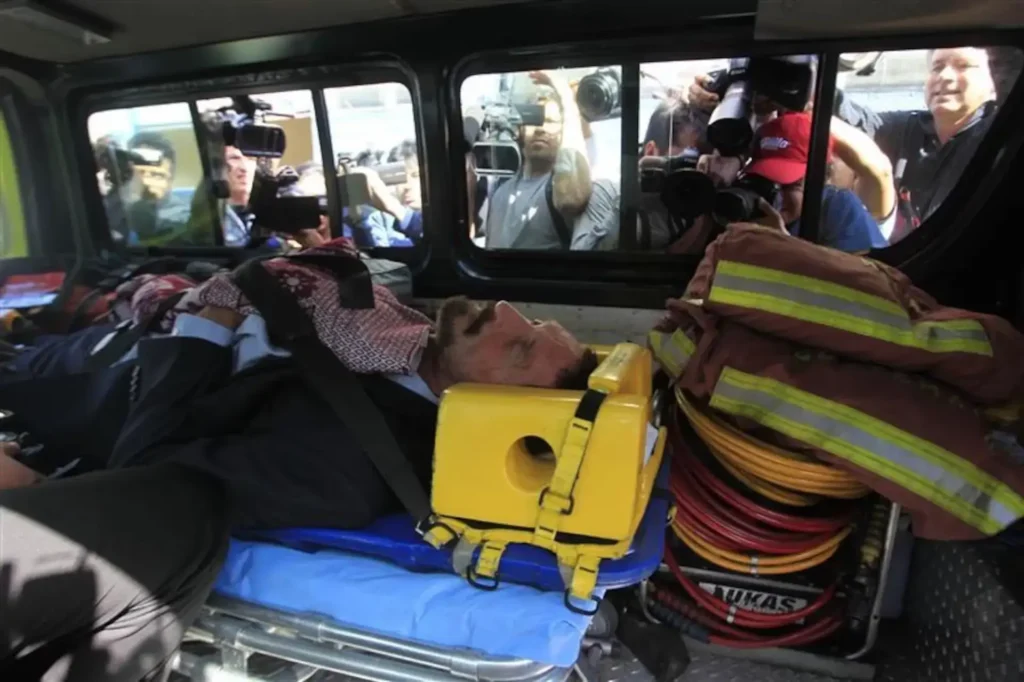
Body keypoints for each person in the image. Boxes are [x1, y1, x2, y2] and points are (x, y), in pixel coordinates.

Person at [0, 251, 598, 681]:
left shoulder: (343, 467)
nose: (506, 312)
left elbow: (147, 474)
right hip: (126, 334)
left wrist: (204, 329)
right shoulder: (414, 349)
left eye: (519, 348)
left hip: (96, 388)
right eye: (537, 324)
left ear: (504, 416)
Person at [482, 70, 615, 250]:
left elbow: (571, 198)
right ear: (521, 129)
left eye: (551, 122)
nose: (541, 129)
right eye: (535, 120)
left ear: (564, 134)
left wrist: (566, 98)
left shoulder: (561, 188)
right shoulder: (501, 193)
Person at [744, 112, 887, 253]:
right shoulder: (744, 203)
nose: (776, 196)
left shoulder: (838, 208)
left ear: (819, 181)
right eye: (765, 181)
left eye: (790, 185)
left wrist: (785, 246)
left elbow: (873, 273)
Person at [120, 132, 192, 245]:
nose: (146, 182)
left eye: (156, 175)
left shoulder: (182, 218)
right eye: (140, 173)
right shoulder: (114, 207)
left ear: (170, 180)